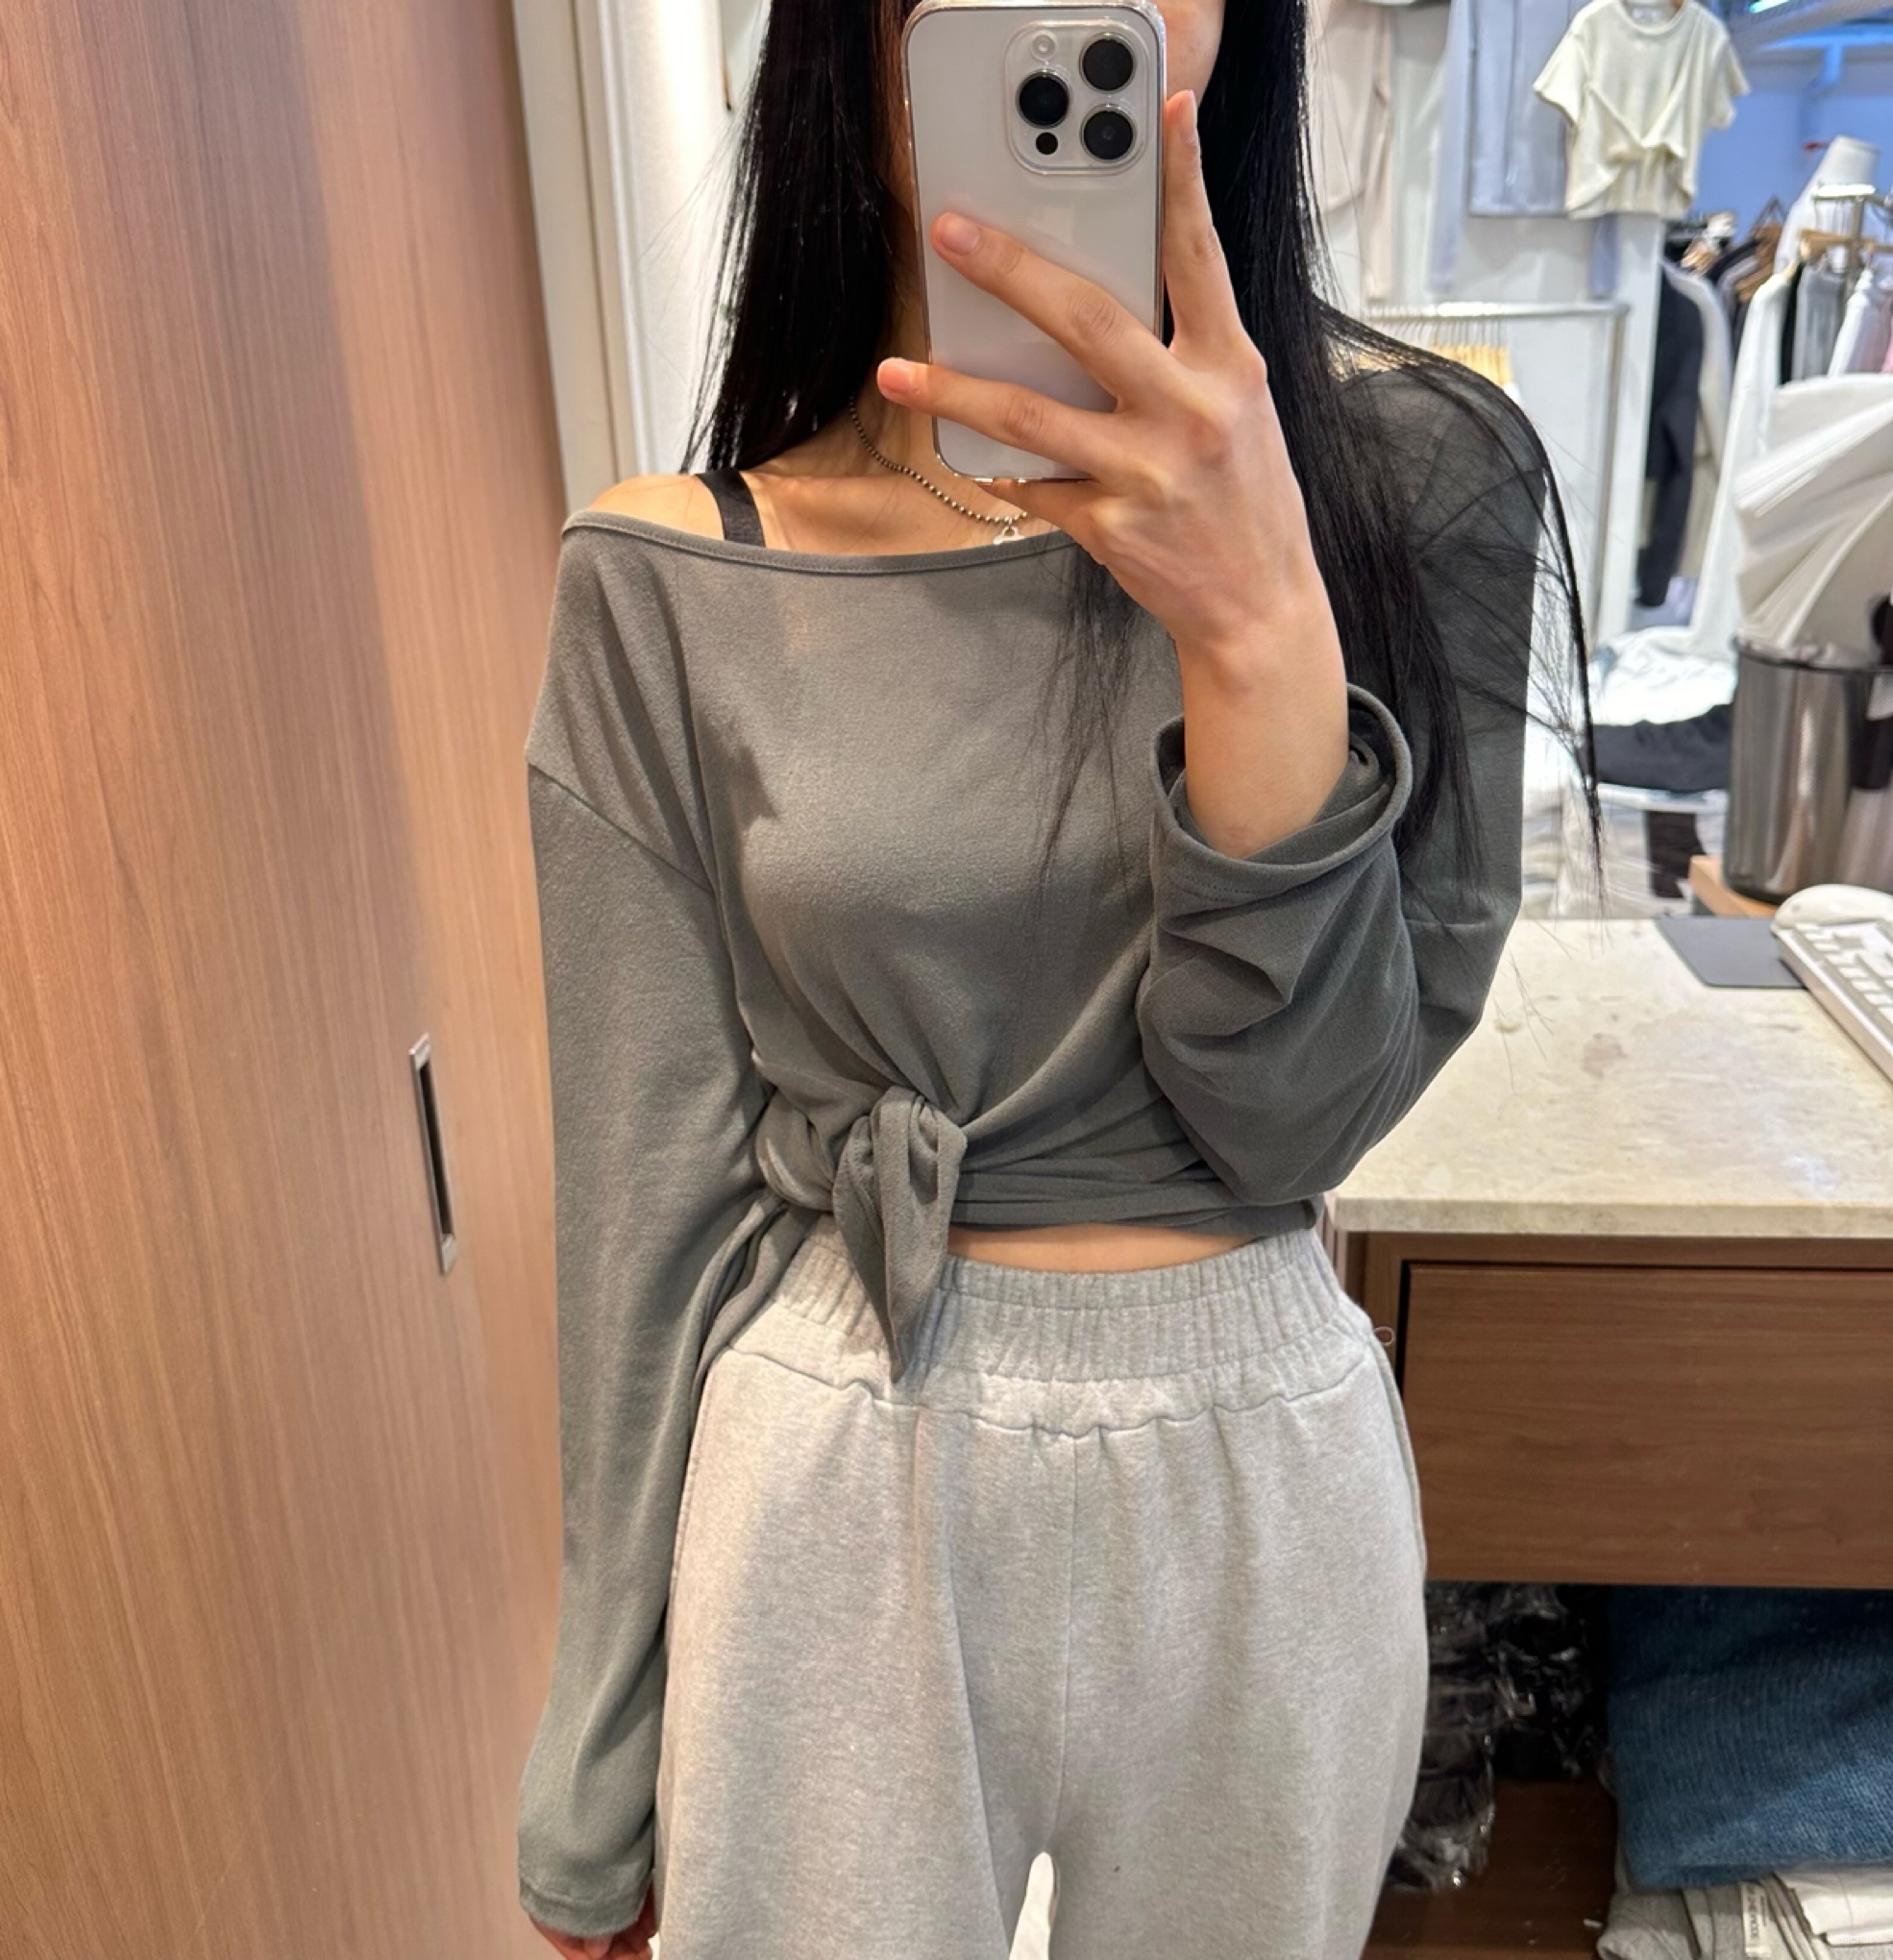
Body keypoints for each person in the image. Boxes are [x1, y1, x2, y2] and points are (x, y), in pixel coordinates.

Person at [517, 2, 1593, 1955]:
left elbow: (1296, 1122)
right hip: (839, 1448)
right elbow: (646, 1207)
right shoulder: (672, 577)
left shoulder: (1422, 487)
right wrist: (599, 1770)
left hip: (1261, 1466)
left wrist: (1260, 627)